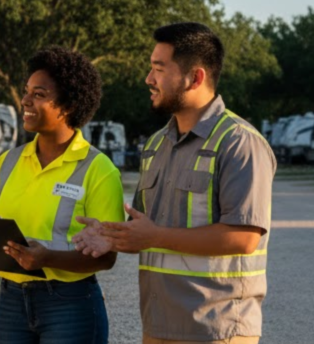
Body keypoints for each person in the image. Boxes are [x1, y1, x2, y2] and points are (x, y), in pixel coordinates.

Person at [74, 22, 276, 344]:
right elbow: (145, 229)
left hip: (217, 329)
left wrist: (156, 236)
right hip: (158, 325)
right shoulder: (156, 144)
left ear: (195, 77)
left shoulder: (239, 143)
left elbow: (244, 238)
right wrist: (110, 236)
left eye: (158, 69)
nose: (148, 79)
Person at [0, 46, 123, 344]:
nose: (25, 101)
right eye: (26, 91)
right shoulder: (6, 162)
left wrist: (48, 259)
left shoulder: (100, 170)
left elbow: (107, 257)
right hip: (10, 302)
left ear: (68, 106)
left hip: (69, 305)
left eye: (39, 94)